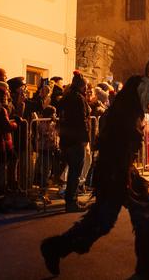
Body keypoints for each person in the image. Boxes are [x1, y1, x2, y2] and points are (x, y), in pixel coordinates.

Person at [41, 58, 149, 278]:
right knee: (102, 221)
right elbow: (113, 149)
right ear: (139, 92)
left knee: (146, 214)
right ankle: (55, 247)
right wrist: (121, 180)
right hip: (113, 173)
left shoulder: (131, 111)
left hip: (125, 171)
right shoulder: (122, 115)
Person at [57, 71, 90, 213]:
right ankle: (71, 202)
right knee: (75, 172)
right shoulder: (78, 99)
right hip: (76, 140)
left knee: (72, 171)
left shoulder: (65, 98)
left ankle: (71, 199)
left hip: (66, 139)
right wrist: (85, 138)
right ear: (82, 86)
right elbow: (82, 120)